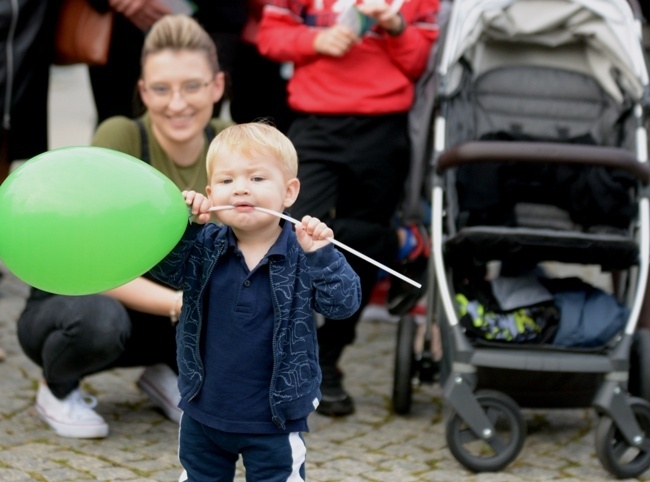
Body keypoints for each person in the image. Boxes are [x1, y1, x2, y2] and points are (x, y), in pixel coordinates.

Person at [16, 14, 230, 439]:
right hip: (81, 299)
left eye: (192, 86)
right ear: (143, 91)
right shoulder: (122, 136)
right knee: (100, 322)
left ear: (217, 87)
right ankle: (57, 389)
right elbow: (92, 262)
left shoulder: (229, 146)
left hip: (167, 306)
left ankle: (167, 372)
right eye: (162, 89)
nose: (177, 103)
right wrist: (183, 306)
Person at [148, 122, 361, 481]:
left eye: (258, 179)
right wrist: (187, 228)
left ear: (289, 192)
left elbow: (343, 304)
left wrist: (324, 255)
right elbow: (166, 272)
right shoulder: (205, 243)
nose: (241, 189)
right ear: (210, 191)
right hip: (204, 410)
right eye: (227, 181)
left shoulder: (302, 252)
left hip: (274, 418)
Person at [257, 0, 439, 416]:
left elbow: (419, 62)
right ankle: (282, 355)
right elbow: (270, 37)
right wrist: (316, 39)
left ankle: (327, 361)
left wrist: (394, 25)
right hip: (315, 121)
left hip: (383, 127)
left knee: (364, 244)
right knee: (289, 233)